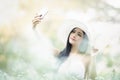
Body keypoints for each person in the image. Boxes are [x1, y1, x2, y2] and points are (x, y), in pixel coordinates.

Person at [32, 13, 97, 80]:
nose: (74, 35)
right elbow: (43, 44)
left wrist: (93, 55)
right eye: (73, 31)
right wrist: (34, 28)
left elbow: (93, 77)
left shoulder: (87, 58)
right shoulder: (59, 54)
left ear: (83, 40)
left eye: (79, 34)